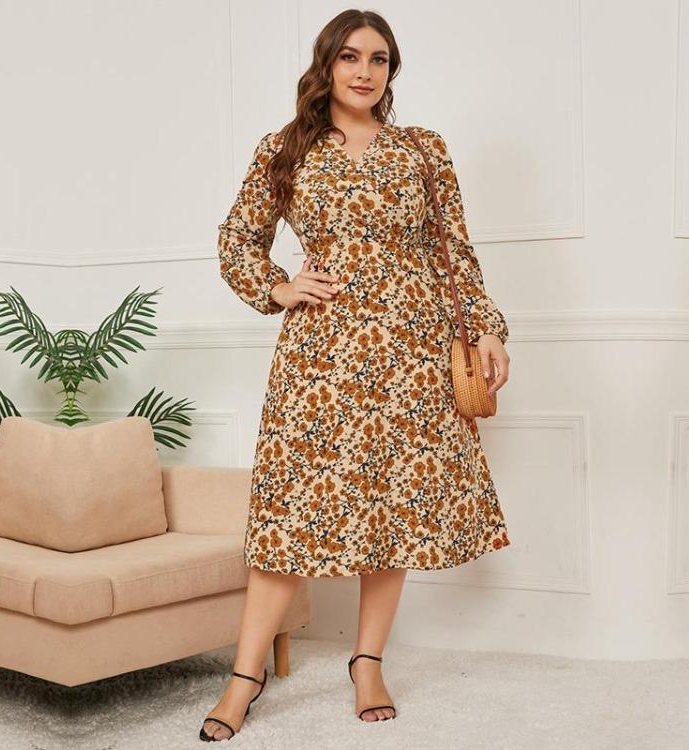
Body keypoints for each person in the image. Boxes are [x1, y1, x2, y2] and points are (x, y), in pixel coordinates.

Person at [200, 7, 511, 742]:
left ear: (390, 70)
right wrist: (279, 287)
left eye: (378, 59)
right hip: (322, 356)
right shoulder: (285, 148)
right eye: (349, 57)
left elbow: (454, 250)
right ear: (326, 65)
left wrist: (489, 326)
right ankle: (244, 676)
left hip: (414, 351)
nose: (364, 71)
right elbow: (237, 239)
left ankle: (367, 662)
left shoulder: (423, 150)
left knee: (393, 508)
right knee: (290, 514)